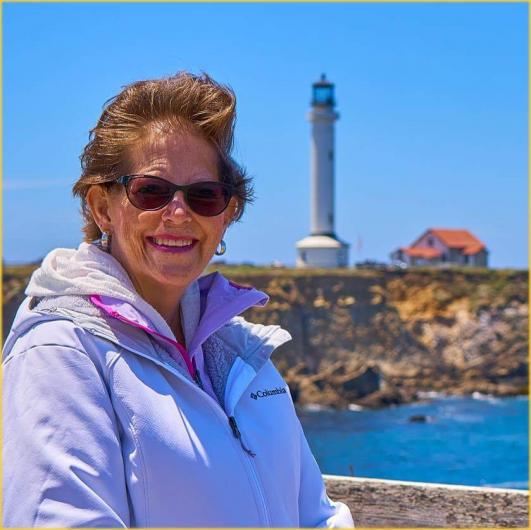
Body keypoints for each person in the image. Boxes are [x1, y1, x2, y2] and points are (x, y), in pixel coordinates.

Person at [3, 72, 354, 528]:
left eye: (205, 196)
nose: (178, 213)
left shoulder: (240, 352)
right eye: (151, 191)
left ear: (227, 215)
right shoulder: (61, 354)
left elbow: (316, 514)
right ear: (102, 207)